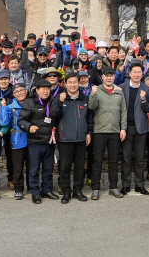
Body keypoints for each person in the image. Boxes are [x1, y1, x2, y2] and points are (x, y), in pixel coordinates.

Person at [53, 72, 94, 204]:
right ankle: (66, 191)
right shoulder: (60, 97)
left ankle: (78, 190)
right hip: (65, 139)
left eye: (74, 82)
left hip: (81, 138)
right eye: (69, 82)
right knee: (64, 167)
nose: (72, 85)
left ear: (78, 83)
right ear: (65, 84)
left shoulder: (85, 98)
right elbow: (53, 114)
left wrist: (88, 133)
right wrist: (60, 102)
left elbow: (89, 118)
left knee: (79, 166)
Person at [18, 80, 60, 204]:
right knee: (34, 169)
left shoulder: (53, 101)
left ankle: (46, 190)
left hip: (49, 141)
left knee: (48, 169)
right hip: (35, 142)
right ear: (37, 90)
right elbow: (21, 120)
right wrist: (29, 127)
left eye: (48, 88)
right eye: (43, 88)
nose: (46, 91)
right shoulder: (30, 103)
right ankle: (35, 192)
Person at [88, 66, 127, 200]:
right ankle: (95, 188)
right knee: (97, 161)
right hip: (100, 130)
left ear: (114, 76)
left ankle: (113, 187)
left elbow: (123, 111)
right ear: (102, 77)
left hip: (115, 131)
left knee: (114, 161)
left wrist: (123, 128)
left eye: (111, 75)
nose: (109, 78)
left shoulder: (119, 91)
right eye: (106, 75)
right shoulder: (96, 90)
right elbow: (91, 107)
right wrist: (92, 95)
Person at [119, 63, 149, 195]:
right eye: (134, 72)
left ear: (142, 74)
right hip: (126, 128)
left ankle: (139, 185)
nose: (137, 74)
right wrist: (122, 127)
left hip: (141, 128)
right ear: (130, 73)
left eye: (139, 72)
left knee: (139, 158)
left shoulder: (146, 88)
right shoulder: (122, 87)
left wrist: (144, 100)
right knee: (126, 158)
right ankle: (126, 184)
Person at [0, 84, 31, 200]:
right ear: (13, 94)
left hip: (31, 139)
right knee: (17, 167)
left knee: (31, 166)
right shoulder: (10, 107)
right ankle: (18, 189)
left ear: (26, 91)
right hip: (16, 141)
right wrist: (3, 108)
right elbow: (3, 123)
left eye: (21, 90)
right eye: (16, 91)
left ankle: (31, 186)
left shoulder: (31, 104)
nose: (19, 93)